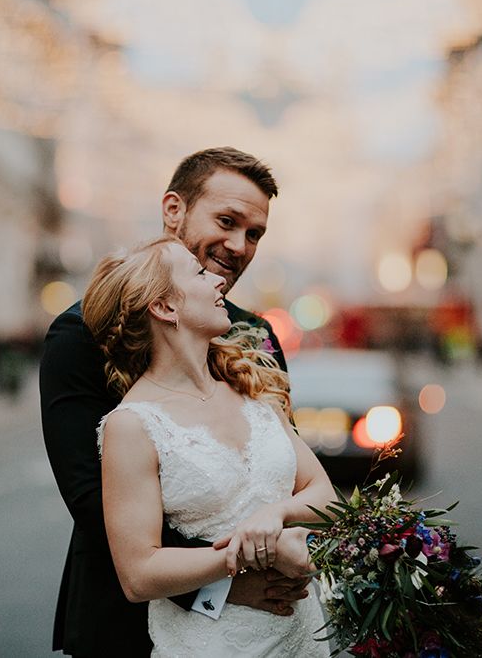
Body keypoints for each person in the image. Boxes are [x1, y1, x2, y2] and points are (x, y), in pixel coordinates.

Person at [40, 147, 315, 657]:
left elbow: (280, 468)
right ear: (174, 210)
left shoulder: (256, 334)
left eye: (254, 234)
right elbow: (91, 500)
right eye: (227, 221)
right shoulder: (81, 333)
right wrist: (227, 583)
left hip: (279, 617)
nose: (239, 246)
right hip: (130, 625)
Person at [84, 237, 335, 656]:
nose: (218, 281)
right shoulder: (133, 424)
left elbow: (326, 496)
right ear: (164, 308)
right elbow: (138, 574)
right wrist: (255, 554)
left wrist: (278, 514)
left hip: (301, 640)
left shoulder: (250, 389)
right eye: (199, 274)